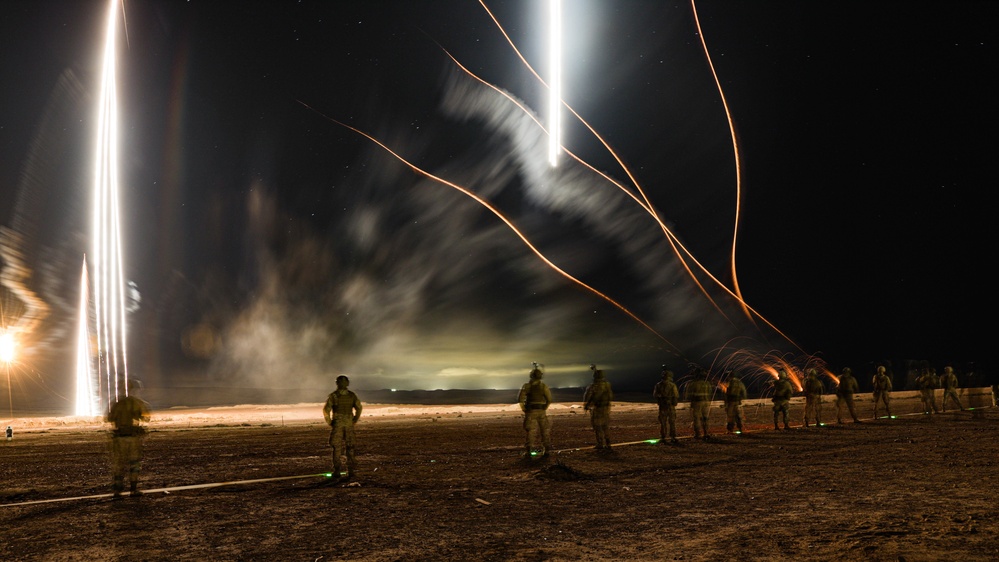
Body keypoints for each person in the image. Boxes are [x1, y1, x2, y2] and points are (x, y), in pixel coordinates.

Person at [106, 379, 151, 499]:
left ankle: (117, 492)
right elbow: (145, 417)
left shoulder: (116, 403)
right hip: (132, 437)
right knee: (134, 464)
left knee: (119, 465)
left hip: (119, 437)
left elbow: (110, 418)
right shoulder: (136, 402)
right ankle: (133, 489)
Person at [323, 375, 363, 481]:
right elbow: (359, 408)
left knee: (340, 448)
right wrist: (354, 419)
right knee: (347, 448)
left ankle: (339, 471)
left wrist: (330, 422)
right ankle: (349, 471)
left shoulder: (335, 396)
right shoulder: (350, 396)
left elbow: (326, 410)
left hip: (339, 424)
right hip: (347, 424)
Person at [518, 363, 553, 457]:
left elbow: (521, 400)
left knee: (531, 431)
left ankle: (529, 450)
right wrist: (544, 408)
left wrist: (525, 410)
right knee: (544, 430)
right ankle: (547, 450)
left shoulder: (527, 386)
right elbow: (549, 400)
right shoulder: (543, 386)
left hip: (531, 411)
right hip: (541, 411)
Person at [583, 365, 613, 450]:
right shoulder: (607, 385)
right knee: (605, 426)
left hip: (598, 408)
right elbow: (610, 396)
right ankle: (608, 443)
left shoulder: (595, 386)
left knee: (597, 426)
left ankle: (600, 444)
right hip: (606, 408)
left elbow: (592, 396)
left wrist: (587, 405)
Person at [653, 367, 680, 443]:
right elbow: (676, 395)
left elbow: (655, 395)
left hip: (662, 406)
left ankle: (663, 437)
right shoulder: (672, 385)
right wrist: (674, 402)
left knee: (663, 423)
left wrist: (661, 397)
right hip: (670, 406)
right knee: (672, 422)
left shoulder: (658, 385)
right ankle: (673, 437)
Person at [686, 368, 713, 440]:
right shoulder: (707, 383)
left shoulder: (693, 384)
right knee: (705, 418)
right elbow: (710, 393)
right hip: (706, 402)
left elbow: (688, 395)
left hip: (697, 403)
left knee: (697, 418)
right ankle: (706, 433)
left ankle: (698, 434)